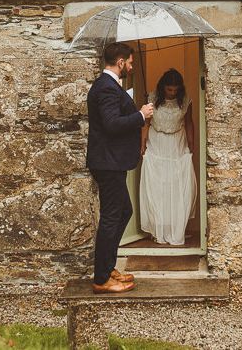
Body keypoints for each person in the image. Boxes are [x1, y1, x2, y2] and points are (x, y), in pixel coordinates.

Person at [86, 42, 154, 294]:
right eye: (130, 62)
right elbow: (112, 124)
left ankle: (108, 267)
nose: (132, 66)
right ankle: (101, 279)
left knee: (124, 211)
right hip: (108, 162)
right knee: (112, 216)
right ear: (121, 62)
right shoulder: (106, 88)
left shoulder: (110, 87)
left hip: (112, 161)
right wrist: (140, 115)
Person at [139, 68, 197, 246]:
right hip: (156, 142)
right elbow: (146, 123)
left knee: (176, 184)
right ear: (163, 87)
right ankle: (158, 229)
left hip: (177, 144)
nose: (172, 93)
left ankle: (175, 228)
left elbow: (189, 124)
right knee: (158, 185)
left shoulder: (185, 101)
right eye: (169, 89)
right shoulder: (151, 98)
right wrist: (142, 144)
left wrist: (191, 145)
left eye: (175, 90)